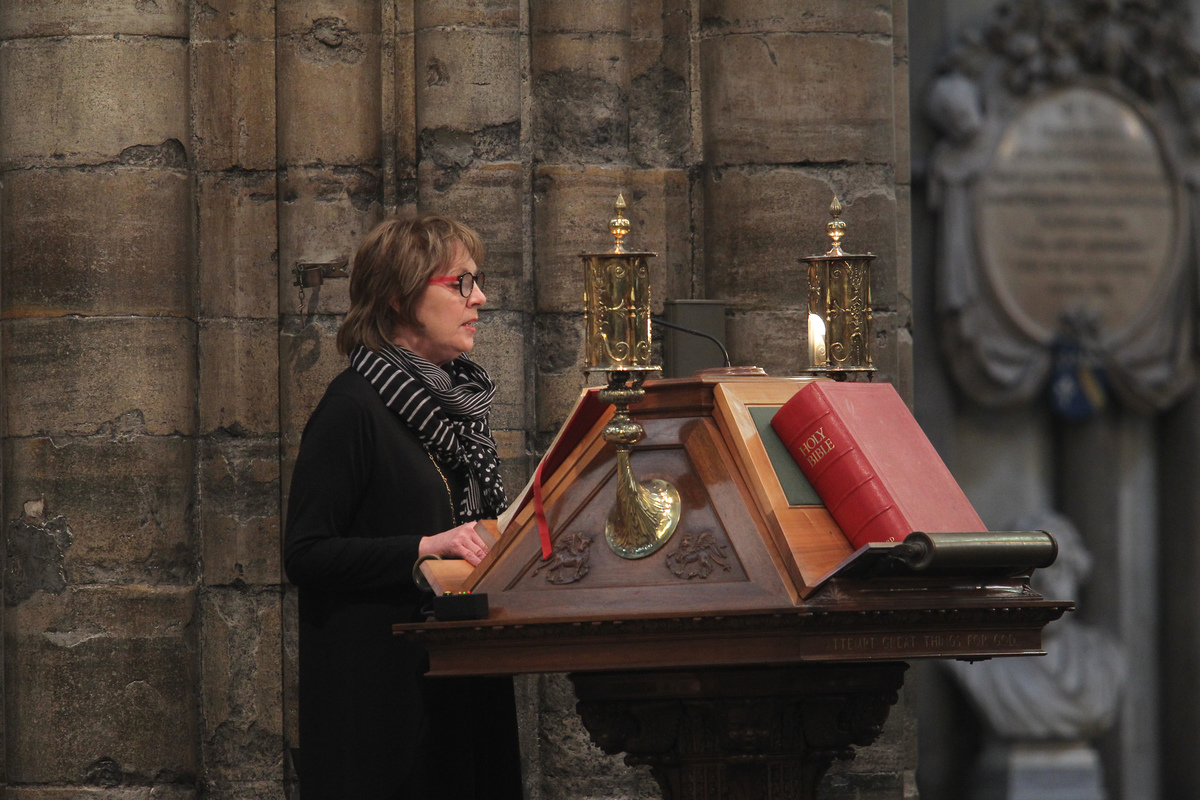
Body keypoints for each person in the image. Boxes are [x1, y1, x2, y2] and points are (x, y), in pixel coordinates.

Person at [284, 214, 523, 800]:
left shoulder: (457, 412)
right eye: (460, 283)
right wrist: (422, 549)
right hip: (383, 705)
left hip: (462, 678)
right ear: (399, 296)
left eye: (477, 281)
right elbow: (306, 554)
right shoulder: (352, 409)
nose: (479, 298)